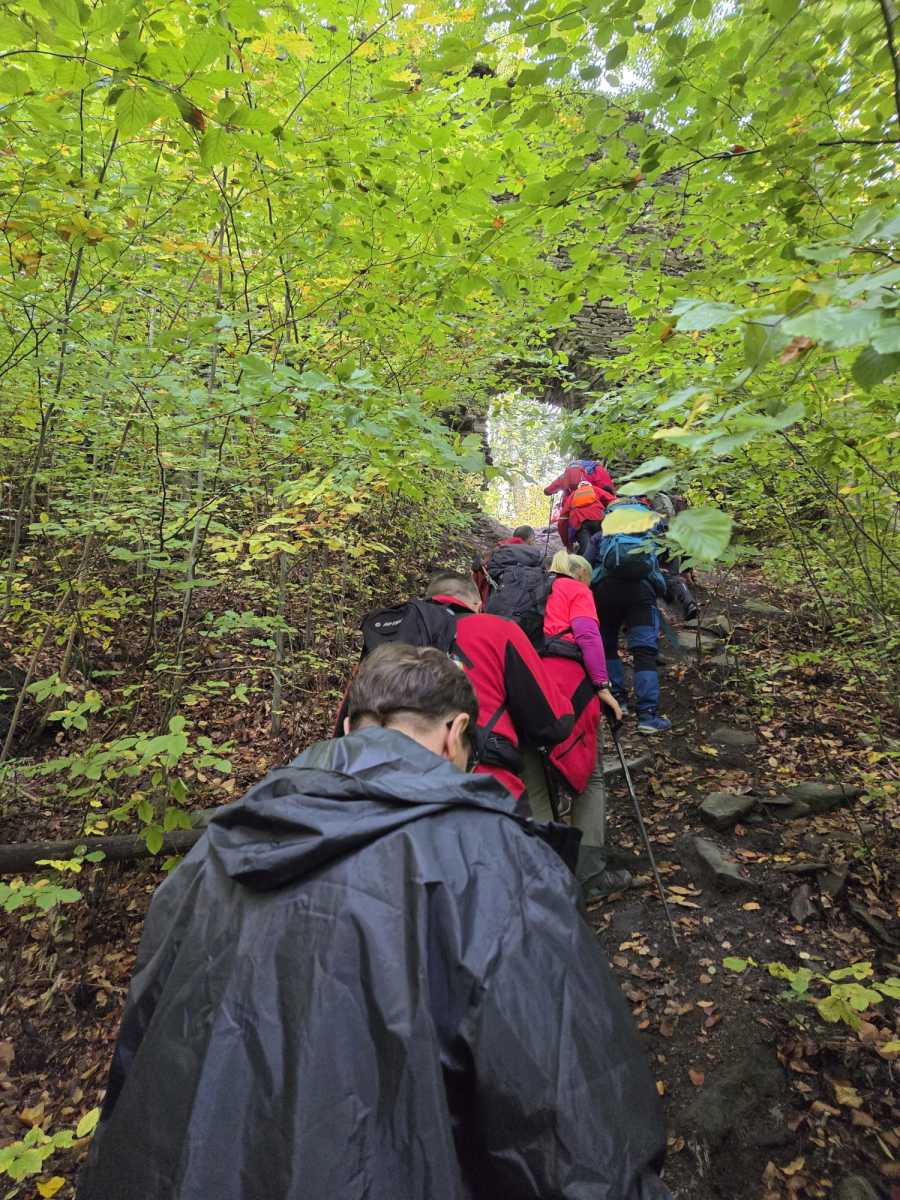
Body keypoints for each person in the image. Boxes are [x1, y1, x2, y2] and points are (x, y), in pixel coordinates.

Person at [78, 644, 671, 1200]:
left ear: (347, 729)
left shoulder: (221, 846)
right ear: (455, 734)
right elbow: (572, 1116)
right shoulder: (494, 859)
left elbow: (142, 1039)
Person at [519, 550, 629, 895]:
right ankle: (589, 872)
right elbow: (587, 634)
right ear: (581, 575)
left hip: (523, 685)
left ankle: (546, 873)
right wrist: (603, 686)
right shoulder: (576, 590)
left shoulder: (527, 590)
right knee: (590, 778)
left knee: (536, 781)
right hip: (568, 687)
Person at [424, 570, 574, 810]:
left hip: (399, 789)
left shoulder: (399, 635)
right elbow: (551, 721)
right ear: (478, 604)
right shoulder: (497, 628)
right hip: (487, 783)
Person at [587, 499, 672, 735]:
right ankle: (647, 716)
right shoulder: (648, 531)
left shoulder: (603, 534)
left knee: (608, 646)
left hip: (606, 592)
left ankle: (618, 701)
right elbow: (666, 560)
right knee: (644, 652)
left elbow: (586, 563)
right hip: (642, 592)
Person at [544, 462, 616, 554]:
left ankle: (585, 558)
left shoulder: (571, 492)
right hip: (599, 518)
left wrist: (567, 544)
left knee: (587, 550)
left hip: (580, 523)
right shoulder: (594, 485)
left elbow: (562, 520)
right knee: (602, 544)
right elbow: (612, 499)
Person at [473, 524, 540, 609]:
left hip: (494, 598)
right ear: (530, 540)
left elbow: (479, 568)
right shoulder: (534, 554)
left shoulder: (497, 549)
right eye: (533, 541)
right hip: (521, 603)